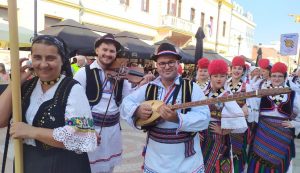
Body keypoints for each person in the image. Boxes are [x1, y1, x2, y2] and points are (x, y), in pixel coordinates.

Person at [0, 35, 97, 173]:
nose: (43, 64)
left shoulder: (73, 89)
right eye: (37, 57)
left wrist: (31, 131)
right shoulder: (27, 86)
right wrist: (15, 82)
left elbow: (81, 135)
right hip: (27, 161)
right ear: (30, 58)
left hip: (62, 164)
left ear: (62, 60)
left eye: (50, 58)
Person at [120, 43, 210, 173]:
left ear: (178, 63)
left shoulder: (192, 88)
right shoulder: (149, 87)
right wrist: (137, 110)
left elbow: (204, 117)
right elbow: (126, 103)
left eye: (171, 62)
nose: (167, 66)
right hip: (155, 159)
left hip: (186, 162)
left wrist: (177, 118)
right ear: (157, 65)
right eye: (162, 63)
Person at [74, 33, 152, 173]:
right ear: (97, 50)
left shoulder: (121, 75)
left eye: (112, 51)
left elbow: (128, 99)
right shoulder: (83, 73)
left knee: (108, 168)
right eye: (105, 50)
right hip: (92, 128)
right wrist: (84, 131)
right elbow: (74, 104)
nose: (108, 54)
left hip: (113, 130)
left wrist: (142, 86)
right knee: (87, 167)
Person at [247, 62, 300, 173]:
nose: (276, 79)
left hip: (282, 135)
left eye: (280, 76)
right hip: (262, 132)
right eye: (274, 76)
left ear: (285, 77)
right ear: (270, 77)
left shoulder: (292, 94)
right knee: (257, 162)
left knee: (279, 164)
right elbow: (251, 105)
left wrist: (295, 123)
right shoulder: (262, 91)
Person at [201, 59, 248, 173]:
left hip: (219, 138)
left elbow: (240, 119)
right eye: (215, 76)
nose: (218, 79)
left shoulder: (227, 95)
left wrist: (224, 131)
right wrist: (196, 132)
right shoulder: (204, 92)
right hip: (203, 137)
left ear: (226, 77)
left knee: (216, 167)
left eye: (222, 76)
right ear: (210, 76)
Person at [224, 56, 257, 173]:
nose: (237, 71)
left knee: (238, 153)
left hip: (239, 128)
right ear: (231, 69)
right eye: (235, 68)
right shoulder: (225, 84)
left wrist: (247, 107)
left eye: (239, 68)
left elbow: (253, 107)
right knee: (224, 151)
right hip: (224, 125)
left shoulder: (247, 87)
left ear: (243, 70)